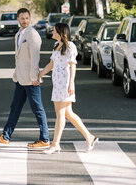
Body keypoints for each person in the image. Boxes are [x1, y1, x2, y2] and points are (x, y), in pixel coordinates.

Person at [0, 8, 50, 149]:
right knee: (14, 107)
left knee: (37, 109)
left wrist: (35, 77)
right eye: (22, 18)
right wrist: (16, 74)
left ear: (30, 18)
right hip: (20, 78)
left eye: (27, 18)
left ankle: (44, 139)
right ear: (18, 19)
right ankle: (5, 137)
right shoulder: (18, 35)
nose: (25, 20)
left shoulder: (33, 34)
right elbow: (19, 57)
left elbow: (35, 57)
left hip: (31, 79)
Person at [37, 22, 98, 154]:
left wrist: (71, 83)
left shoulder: (70, 46)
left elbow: (72, 66)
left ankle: (55, 144)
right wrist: (40, 74)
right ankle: (89, 137)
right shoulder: (56, 45)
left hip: (65, 84)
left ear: (60, 32)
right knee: (68, 114)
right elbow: (51, 64)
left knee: (60, 115)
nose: (52, 33)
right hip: (57, 84)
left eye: (54, 31)